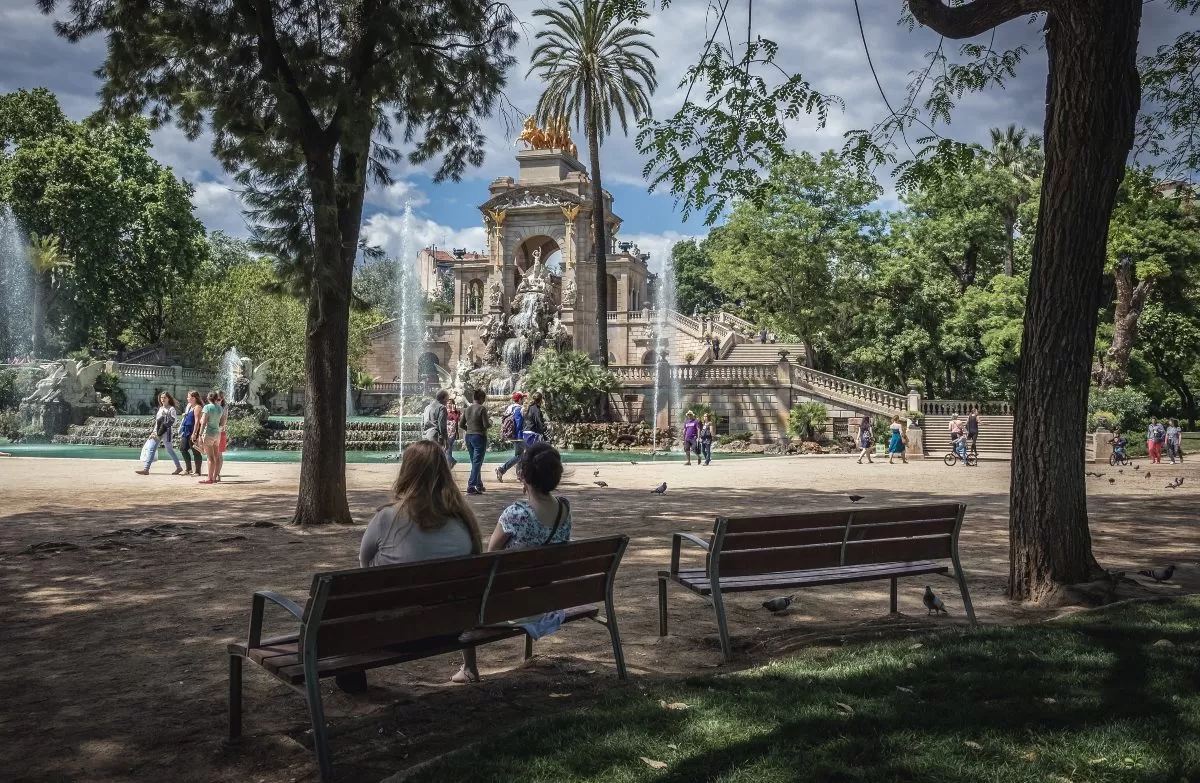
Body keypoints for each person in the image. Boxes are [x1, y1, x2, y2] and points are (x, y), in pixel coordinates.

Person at [351, 439, 483, 691]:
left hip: (395, 634)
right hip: (450, 629)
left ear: (406, 471)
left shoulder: (387, 518)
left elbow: (364, 566)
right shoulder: (464, 522)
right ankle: (469, 667)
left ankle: (354, 675)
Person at [455, 442, 571, 684]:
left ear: (523, 476)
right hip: (548, 603)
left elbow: (491, 554)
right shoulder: (564, 511)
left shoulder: (516, 513)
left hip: (513, 608)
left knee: (465, 594)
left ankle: (469, 668)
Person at [136, 391, 183, 475]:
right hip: (157, 431)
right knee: (151, 448)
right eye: (161, 397)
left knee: (169, 450)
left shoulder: (171, 409)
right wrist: (153, 432)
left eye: (164, 397)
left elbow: (173, 421)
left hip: (166, 431)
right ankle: (146, 469)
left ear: (168, 398)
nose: (162, 399)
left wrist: (166, 418)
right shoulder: (160, 408)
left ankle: (179, 467)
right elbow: (157, 423)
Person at [462, 389, 491, 495]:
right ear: (481, 398)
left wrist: (469, 430)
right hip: (479, 437)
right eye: (484, 398)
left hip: (468, 437)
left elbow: (461, 424)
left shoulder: (467, 409)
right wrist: (490, 422)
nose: (484, 401)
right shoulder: (482, 409)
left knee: (474, 462)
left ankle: (478, 484)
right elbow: (486, 425)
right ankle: (471, 485)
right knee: (477, 462)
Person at [495, 392, 525, 482]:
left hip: (511, 434)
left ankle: (519, 475)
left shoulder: (510, 407)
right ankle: (502, 469)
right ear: (519, 399)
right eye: (522, 398)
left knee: (519, 455)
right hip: (518, 435)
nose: (524, 400)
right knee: (521, 455)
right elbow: (519, 423)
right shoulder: (519, 408)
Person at [197, 391, 223, 484]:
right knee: (216, 457)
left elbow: (203, 422)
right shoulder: (220, 408)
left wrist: (199, 435)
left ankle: (209, 478)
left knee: (210, 458)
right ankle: (214, 477)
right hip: (217, 434)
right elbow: (222, 423)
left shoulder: (207, 407)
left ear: (208, 398)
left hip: (209, 433)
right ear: (216, 398)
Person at [421, 389, 451, 463]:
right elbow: (442, 424)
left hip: (425, 436)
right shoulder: (442, 408)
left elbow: (422, 422)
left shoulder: (427, 407)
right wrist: (445, 439)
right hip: (435, 436)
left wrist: (423, 434)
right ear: (443, 398)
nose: (447, 401)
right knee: (436, 459)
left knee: (427, 459)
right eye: (447, 398)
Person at [179, 390, 204, 476]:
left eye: (188, 396)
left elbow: (197, 422)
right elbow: (190, 417)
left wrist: (194, 433)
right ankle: (188, 469)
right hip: (186, 431)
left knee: (195, 451)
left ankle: (197, 471)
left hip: (193, 431)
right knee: (182, 448)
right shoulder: (190, 406)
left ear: (193, 398)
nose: (187, 398)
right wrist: (186, 415)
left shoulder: (198, 407)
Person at [215, 389, 229, 480]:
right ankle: (214, 474)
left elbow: (223, 421)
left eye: (219, 398)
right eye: (215, 398)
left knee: (218, 454)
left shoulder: (224, 407)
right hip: (214, 431)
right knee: (213, 454)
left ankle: (217, 474)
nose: (217, 400)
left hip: (219, 431)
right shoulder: (212, 406)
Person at [445, 398, 461, 468]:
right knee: (447, 449)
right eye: (448, 403)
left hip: (452, 432)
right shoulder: (444, 410)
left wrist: (453, 412)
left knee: (448, 449)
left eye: (450, 403)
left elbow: (456, 420)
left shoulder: (457, 412)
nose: (449, 404)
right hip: (445, 432)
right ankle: (452, 461)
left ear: (453, 404)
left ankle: (448, 466)